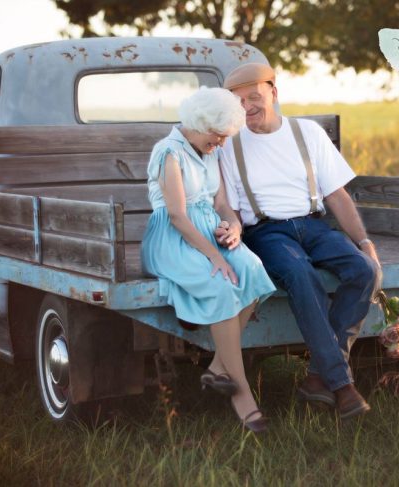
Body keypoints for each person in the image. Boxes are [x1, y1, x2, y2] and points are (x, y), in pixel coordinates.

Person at [217, 63, 381, 420]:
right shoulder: (228, 145)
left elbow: (336, 195)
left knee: (364, 270)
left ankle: (318, 377)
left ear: (274, 92)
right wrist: (233, 227)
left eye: (254, 97)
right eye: (238, 102)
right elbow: (225, 204)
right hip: (267, 232)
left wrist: (363, 241)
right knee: (299, 273)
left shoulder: (307, 133)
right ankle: (343, 386)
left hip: (313, 225)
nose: (247, 108)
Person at [141, 87, 276, 433]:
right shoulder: (169, 152)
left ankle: (217, 368)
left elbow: (220, 204)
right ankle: (242, 396)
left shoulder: (210, 151)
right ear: (200, 124)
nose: (220, 145)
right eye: (217, 138)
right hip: (176, 238)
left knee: (255, 272)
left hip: (211, 229)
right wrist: (216, 256)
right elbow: (176, 215)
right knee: (222, 285)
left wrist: (234, 227)